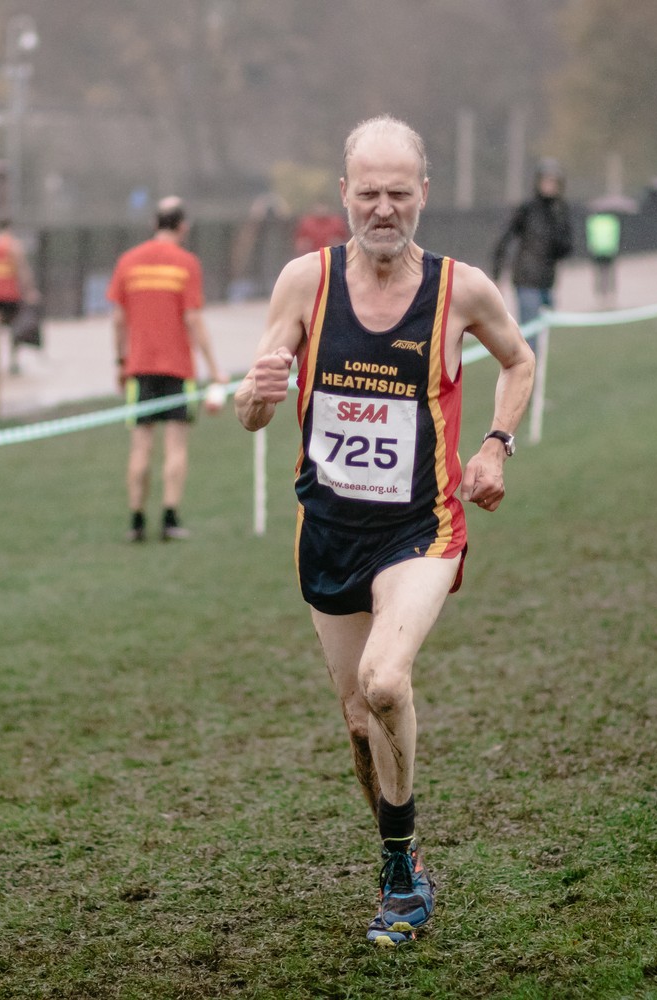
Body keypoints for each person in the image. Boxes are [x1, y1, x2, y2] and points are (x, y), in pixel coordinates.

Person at [234, 116, 535, 947]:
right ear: (344, 195)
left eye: (399, 193)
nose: (383, 207)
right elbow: (254, 414)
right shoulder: (304, 282)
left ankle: (401, 883)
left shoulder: (459, 289)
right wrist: (254, 391)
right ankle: (404, 856)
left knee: (386, 679)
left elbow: (520, 359)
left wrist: (496, 447)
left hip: (421, 528)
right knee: (360, 722)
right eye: (368, 192)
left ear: (424, 196)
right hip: (328, 530)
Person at [108, 196, 222, 542]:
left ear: (153, 224)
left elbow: (117, 319)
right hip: (177, 369)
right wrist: (215, 369)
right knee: (176, 447)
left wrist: (120, 362)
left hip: (139, 368)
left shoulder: (128, 261)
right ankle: (170, 518)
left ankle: (136, 520)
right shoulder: (186, 263)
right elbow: (193, 319)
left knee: (140, 447)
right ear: (183, 226)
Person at [491, 157, 573, 335]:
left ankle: (537, 363)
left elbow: (565, 248)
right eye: (546, 180)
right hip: (526, 280)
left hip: (547, 282)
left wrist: (556, 222)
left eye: (553, 181)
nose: (549, 185)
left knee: (545, 334)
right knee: (530, 337)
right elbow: (504, 239)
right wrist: (498, 274)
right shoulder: (528, 209)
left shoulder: (560, 210)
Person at [0, 219, 39, 374]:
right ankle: (13, 361)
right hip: (10, 293)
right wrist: (29, 290)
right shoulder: (13, 245)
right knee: (14, 328)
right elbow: (22, 269)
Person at [585, 208, 621, 310]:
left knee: (600, 274)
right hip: (609, 250)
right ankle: (609, 295)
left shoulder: (593, 221)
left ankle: (602, 296)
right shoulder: (612, 220)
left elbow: (590, 236)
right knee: (608, 274)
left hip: (597, 250)